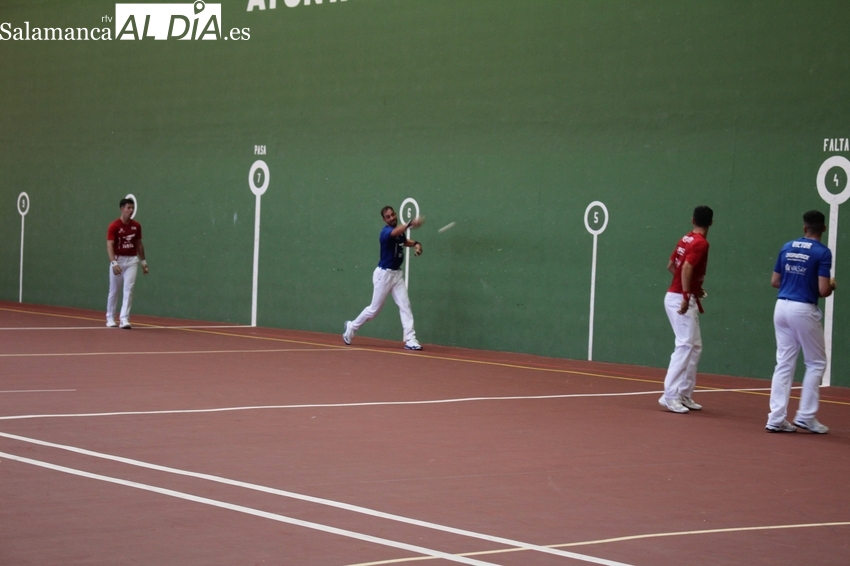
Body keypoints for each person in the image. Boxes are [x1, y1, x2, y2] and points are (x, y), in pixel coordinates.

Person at [765, 210, 835, 434]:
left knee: (784, 363)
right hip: (803, 308)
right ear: (823, 229)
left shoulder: (787, 246)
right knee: (815, 363)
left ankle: (775, 419)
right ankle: (805, 416)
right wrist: (832, 284)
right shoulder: (822, 252)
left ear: (804, 228)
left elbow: (775, 281)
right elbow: (824, 289)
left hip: (781, 307)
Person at [343, 206, 424, 350]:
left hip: (396, 275)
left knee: (405, 305)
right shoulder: (386, 232)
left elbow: (403, 241)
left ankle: (411, 339)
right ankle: (352, 327)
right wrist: (411, 223)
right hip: (384, 275)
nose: (392, 217)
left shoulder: (398, 233)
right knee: (374, 311)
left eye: (393, 215)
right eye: (388, 216)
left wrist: (416, 244)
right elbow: (396, 232)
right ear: (384, 219)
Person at [658, 205, 714, 413]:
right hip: (680, 298)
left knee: (695, 346)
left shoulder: (686, 239)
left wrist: (692, 290)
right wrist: (685, 293)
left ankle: (684, 394)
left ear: (692, 220)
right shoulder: (701, 243)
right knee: (684, 345)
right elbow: (687, 267)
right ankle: (669, 396)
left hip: (679, 295)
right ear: (711, 223)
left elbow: (672, 265)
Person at [106, 197, 148, 329]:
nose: (131, 210)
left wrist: (143, 262)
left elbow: (139, 244)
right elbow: (110, 245)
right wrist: (113, 263)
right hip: (118, 261)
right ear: (122, 209)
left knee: (129, 289)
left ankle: (124, 319)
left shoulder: (136, 226)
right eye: (128, 208)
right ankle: (110, 317)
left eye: (132, 208)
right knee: (114, 290)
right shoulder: (114, 226)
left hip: (131, 261)